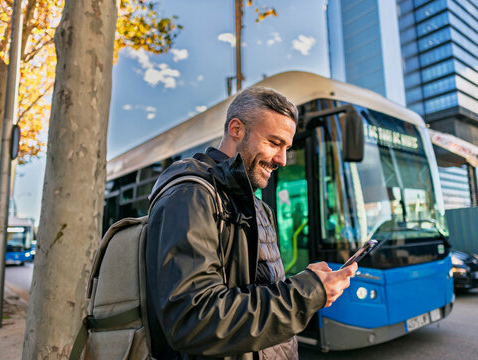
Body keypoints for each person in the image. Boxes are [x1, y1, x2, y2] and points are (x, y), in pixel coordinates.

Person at [145, 87, 358, 360]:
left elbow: (253, 293)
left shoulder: (258, 206)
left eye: (287, 148)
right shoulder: (190, 195)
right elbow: (193, 320)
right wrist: (307, 293)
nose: (282, 159)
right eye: (273, 143)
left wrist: (306, 281)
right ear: (236, 129)